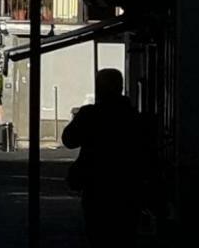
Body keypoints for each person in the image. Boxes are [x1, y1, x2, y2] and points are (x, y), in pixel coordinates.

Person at [62, 69, 145, 247]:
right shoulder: (133, 117)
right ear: (120, 87)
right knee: (125, 235)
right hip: (128, 185)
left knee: (97, 234)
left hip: (96, 184)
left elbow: (68, 140)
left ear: (99, 88)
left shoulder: (90, 114)